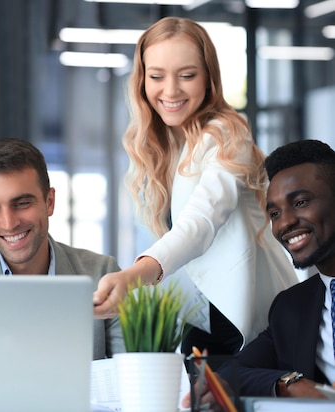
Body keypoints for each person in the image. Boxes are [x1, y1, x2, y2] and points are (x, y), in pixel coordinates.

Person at [92, 16, 298, 361]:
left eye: (187, 75)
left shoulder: (226, 133)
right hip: (202, 319)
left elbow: (202, 222)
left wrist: (135, 276)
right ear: (142, 80)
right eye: (156, 76)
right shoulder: (158, 149)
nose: (170, 90)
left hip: (252, 323)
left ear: (208, 78)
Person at [0, 137, 125, 359]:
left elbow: (130, 377)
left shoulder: (101, 274)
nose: (9, 224)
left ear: (49, 202)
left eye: (22, 204)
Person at [183, 139, 335, 409]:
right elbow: (231, 372)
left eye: (300, 202)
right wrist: (289, 384)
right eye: (275, 213)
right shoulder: (292, 307)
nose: (285, 223)